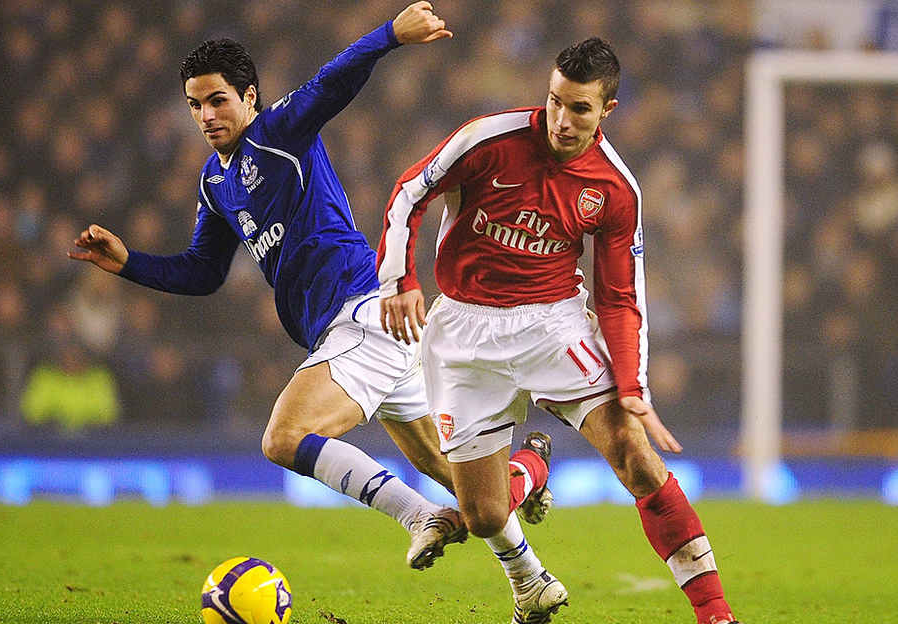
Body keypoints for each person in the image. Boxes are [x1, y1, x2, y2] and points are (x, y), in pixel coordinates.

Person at [67, 2, 553, 583]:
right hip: (349, 328)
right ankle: (533, 547)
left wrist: (390, 36)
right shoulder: (214, 181)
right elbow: (203, 272)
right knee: (467, 484)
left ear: (249, 97)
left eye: (218, 99)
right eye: (194, 104)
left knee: (285, 437)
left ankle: (419, 515)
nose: (205, 115)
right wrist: (130, 265)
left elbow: (332, 81)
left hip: (362, 314)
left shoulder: (279, 132)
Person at [378, 38, 739, 624]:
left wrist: (632, 387)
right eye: (554, 102)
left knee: (635, 456)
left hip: (553, 323)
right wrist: (400, 280)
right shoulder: (488, 139)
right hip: (463, 331)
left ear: (608, 111)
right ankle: (534, 469)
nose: (561, 121)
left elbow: (620, 297)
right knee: (484, 517)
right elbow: (409, 190)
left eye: (579, 109)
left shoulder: (616, 189)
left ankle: (716, 614)